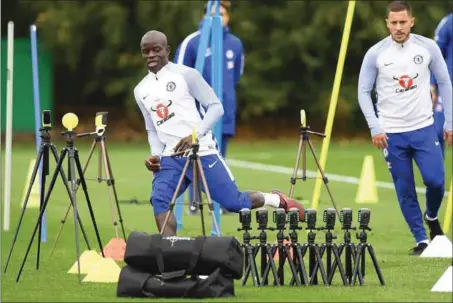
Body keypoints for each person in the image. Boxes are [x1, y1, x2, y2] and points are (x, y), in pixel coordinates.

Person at [134, 30, 304, 236]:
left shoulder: (187, 75)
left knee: (234, 203)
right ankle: (171, 256)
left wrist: (194, 136)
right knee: (160, 200)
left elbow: (216, 107)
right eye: (146, 51)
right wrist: (156, 155)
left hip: (202, 151)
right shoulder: (141, 89)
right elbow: (152, 128)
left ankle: (276, 199)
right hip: (171, 157)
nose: (151, 55)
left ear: (167, 51)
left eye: (156, 50)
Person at [357, 1, 452, 255]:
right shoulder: (376, 54)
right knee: (404, 187)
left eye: (403, 22)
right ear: (387, 23)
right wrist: (374, 126)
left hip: (423, 128)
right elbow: (363, 92)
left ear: (412, 21)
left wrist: (450, 122)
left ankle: (431, 217)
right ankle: (421, 239)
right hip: (391, 133)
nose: (398, 27)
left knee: (435, 181)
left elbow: (445, 82)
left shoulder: (428, 47)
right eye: (393, 22)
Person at [173, 1, 244, 215]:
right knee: (196, 155)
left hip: (225, 110)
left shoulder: (235, 43)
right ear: (204, 16)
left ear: (228, 17)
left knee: (219, 157)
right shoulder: (193, 42)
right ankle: (194, 201)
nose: (218, 18)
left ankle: (223, 202)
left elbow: (237, 74)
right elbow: (177, 76)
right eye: (213, 13)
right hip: (197, 113)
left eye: (222, 14)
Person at [430, 13, 452, 157]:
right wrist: (432, 83)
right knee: (437, 131)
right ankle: (436, 176)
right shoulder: (449, 22)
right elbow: (436, 54)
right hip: (449, 86)